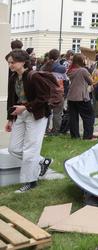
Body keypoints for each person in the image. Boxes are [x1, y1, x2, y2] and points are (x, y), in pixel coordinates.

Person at [5, 50, 53, 193]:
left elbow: (44, 98)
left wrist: (25, 107)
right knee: (13, 148)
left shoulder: (34, 76)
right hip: (20, 114)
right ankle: (42, 161)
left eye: (13, 62)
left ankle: (30, 182)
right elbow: (11, 99)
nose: (10, 65)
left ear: (23, 62)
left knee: (30, 150)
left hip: (36, 114)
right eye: (9, 62)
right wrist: (10, 119)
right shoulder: (13, 78)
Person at [66, 54, 94, 139]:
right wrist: (88, 67)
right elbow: (91, 81)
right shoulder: (82, 70)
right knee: (89, 116)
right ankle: (88, 136)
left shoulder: (70, 70)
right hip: (82, 97)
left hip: (71, 97)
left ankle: (75, 136)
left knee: (73, 117)